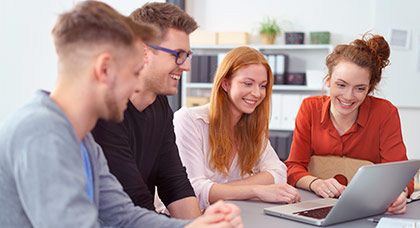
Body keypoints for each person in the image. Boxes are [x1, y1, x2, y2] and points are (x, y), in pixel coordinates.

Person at [0, 1, 243, 227]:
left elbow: (123, 216)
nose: (136, 88)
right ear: (104, 70)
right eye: (133, 73)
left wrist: (194, 226)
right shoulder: (42, 133)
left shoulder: (83, 141)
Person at [91, 2, 202, 219]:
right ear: (143, 51)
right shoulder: (106, 112)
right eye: (177, 55)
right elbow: (132, 203)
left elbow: (174, 182)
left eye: (188, 55)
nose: (186, 66)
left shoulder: (160, 106)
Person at [284, 33, 414, 215]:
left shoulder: (385, 113)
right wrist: (316, 183)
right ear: (328, 80)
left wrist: (400, 194)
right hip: (316, 206)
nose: (348, 96)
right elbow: (293, 167)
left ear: (369, 88)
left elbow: (400, 175)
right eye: (341, 85)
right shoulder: (310, 108)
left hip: (370, 211)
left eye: (360, 88)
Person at [173, 46, 301, 210]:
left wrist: (221, 190)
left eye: (263, 86)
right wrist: (256, 189)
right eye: (248, 83)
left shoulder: (252, 126)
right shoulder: (189, 120)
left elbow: (279, 172)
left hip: (232, 215)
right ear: (225, 84)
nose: (257, 93)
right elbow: (193, 190)